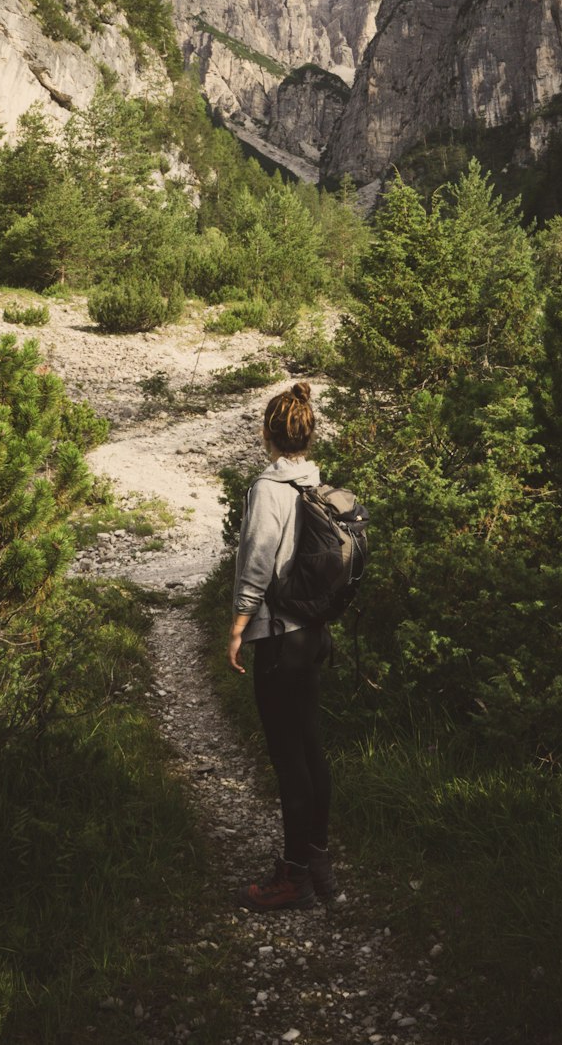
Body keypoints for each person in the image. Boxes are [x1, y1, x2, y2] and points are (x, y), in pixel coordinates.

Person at [229, 381, 336, 910]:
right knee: (311, 747)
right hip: (314, 633)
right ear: (308, 435)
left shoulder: (267, 490)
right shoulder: (316, 485)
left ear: (267, 435)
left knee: (287, 757)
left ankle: (292, 877)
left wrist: (237, 626)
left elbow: (257, 561)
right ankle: (316, 859)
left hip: (279, 636)